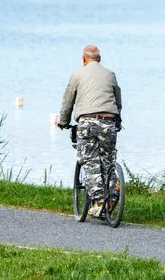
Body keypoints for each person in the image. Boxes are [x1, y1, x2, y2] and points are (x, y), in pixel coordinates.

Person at [58, 44, 122, 217]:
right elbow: (117, 99)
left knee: (90, 161)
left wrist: (63, 122)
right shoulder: (110, 74)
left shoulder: (77, 75)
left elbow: (68, 101)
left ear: (84, 59)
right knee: (107, 161)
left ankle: (100, 200)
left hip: (87, 122)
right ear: (99, 59)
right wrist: (118, 120)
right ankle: (113, 195)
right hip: (108, 121)